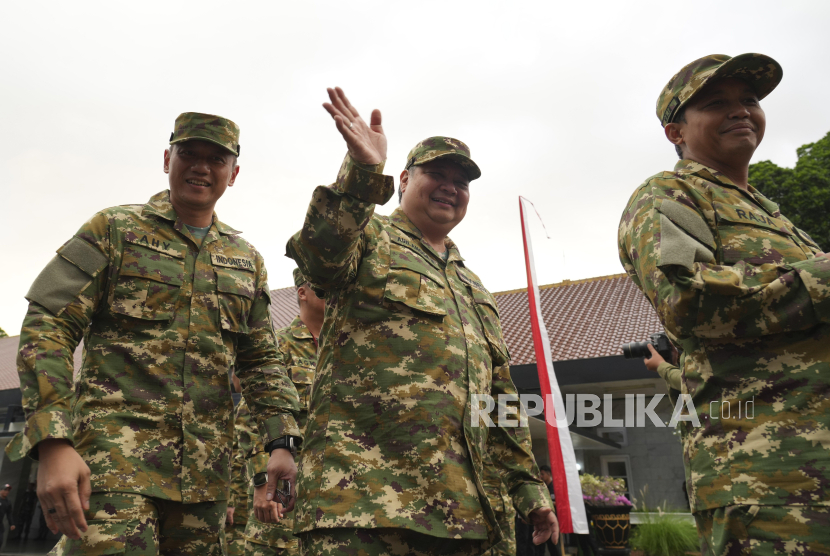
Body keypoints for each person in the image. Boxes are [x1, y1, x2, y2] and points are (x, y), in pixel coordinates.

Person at [10, 112, 302, 555]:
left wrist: (281, 442)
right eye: (189, 154)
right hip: (112, 466)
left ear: (234, 174)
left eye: (216, 159)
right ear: (167, 159)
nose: (202, 167)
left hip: (204, 482)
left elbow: (261, 361)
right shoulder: (114, 230)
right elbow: (48, 322)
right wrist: (53, 439)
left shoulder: (246, 260)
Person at [285, 87, 556, 555]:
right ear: (405, 179)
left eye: (462, 181)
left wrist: (529, 491)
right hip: (364, 505)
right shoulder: (370, 238)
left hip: (463, 516)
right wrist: (363, 172)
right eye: (437, 173)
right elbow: (320, 255)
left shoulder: (473, 289)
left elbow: (497, 396)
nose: (451, 186)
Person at [618, 53, 830, 553]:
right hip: (770, 476)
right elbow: (688, 305)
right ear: (677, 132)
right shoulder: (670, 194)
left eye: (750, 100)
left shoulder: (775, 217)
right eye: (717, 104)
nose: (741, 111)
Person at [243, 268, 323, 555]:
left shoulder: (348, 350)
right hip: (285, 489)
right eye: (324, 289)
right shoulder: (277, 348)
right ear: (302, 293)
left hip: (337, 497)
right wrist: (262, 482)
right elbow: (249, 419)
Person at [0, 484, 16, 548]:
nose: (7, 492)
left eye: (8, 490)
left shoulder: (8, 502)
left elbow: (9, 514)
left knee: (0, 541)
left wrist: (11, 524)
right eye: (5, 490)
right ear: (0, 490)